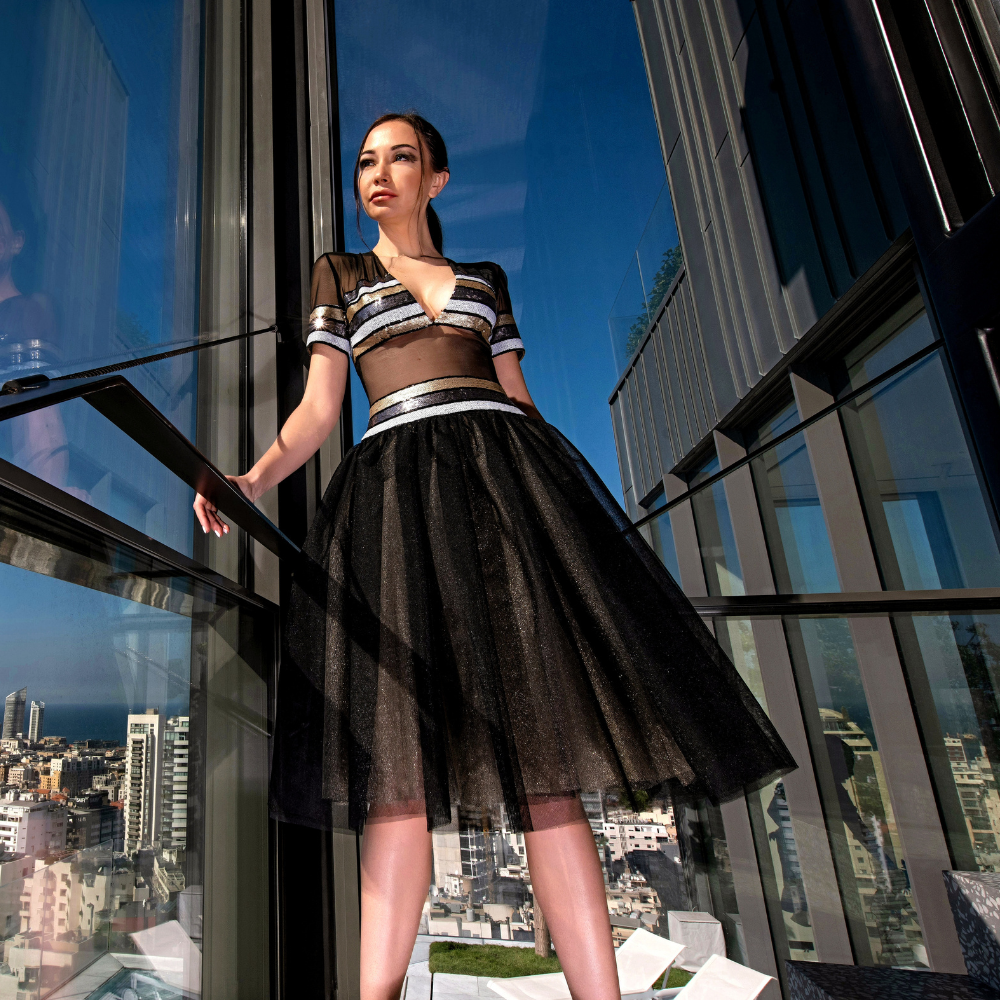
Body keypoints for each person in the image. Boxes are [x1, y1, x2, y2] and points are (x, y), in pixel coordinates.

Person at [194, 112, 794, 1000]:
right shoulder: (343, 274)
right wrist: (253, 476)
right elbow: (321, 412)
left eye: (401, 157)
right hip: (397, 499)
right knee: (394, 777)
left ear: (436, 179)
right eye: (366, 161)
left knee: (548, 770)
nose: (379, 173)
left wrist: (572, 519)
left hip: (507, 491)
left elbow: (521, 398)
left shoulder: (486, 278)